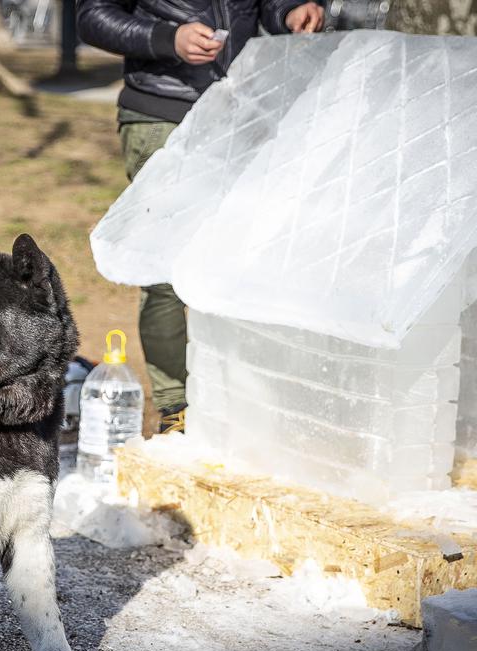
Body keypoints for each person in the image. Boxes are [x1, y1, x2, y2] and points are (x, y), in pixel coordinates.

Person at [78, 0, 324, 432]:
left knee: (239, 262)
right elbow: (92, 16)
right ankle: (178, 410)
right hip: (161, 116)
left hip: (239, 112)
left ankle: (234, 400)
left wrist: (289, 13)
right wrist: (167, 39)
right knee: (166, 271)